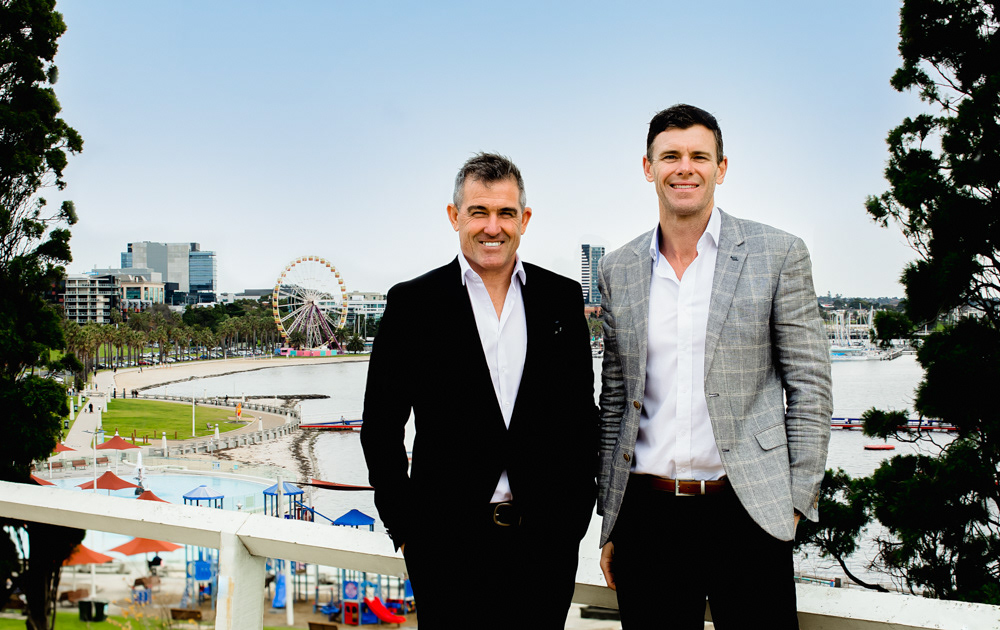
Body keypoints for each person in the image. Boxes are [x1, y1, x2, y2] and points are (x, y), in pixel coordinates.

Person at [596, 104, 832, 629]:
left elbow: (810, 386)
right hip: (648, 516)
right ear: (648, 167)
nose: (685, 168)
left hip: (748, 512)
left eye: (699, 156)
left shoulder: (778, 254)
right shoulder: (618, 268)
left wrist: (795, 500)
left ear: (721, 168)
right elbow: (615, 401)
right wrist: (612, 518)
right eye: (670, 156)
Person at [361, 153, 598, 628]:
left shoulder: (561, 298)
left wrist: (575, 516)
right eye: (479, 212)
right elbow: (381, 427)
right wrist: (406, 528)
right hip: (445, 550)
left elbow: (581, 417)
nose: (493, 227)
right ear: (455, 216)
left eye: (506, 213)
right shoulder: (413, 304)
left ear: (524, 220)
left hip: (545, 547)